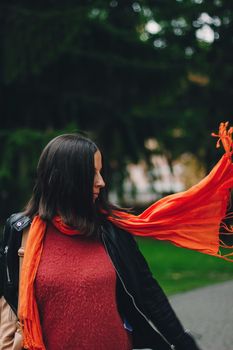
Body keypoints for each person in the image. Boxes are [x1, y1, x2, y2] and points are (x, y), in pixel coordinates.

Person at [1, 123, 233, 350]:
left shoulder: (112, 230)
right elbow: (8, 298)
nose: (101, 182)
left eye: (100, 172)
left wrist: (184, 343)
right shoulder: (20, 231)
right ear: (66, 178)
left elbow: (149, 294)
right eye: (92, 174)